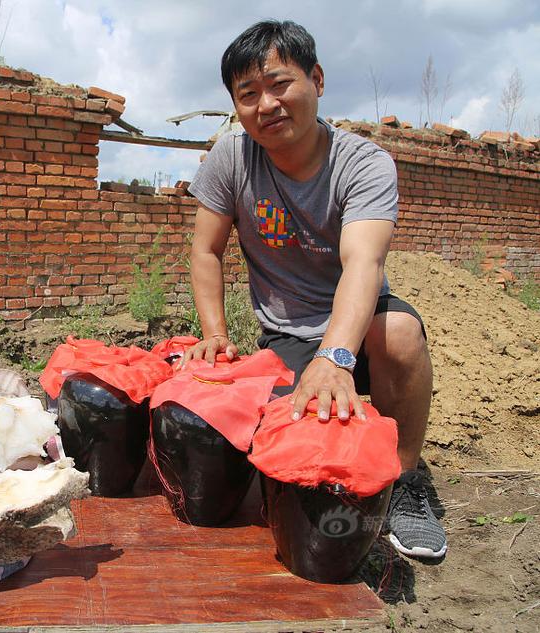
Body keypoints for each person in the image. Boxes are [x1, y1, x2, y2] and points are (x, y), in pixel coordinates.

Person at [181, 19, 446, 559]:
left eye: (280, 84)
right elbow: (206, 251)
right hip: (287, 336)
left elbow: (363, 264)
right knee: (278, 450)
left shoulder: (363, 164)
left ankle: (407, 484)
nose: (267, 104)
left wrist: (337, 355)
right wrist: (214, 333)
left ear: (317, 80)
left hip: (361, 328)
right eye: (248, 94)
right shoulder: (232, 158)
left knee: (399, 333)